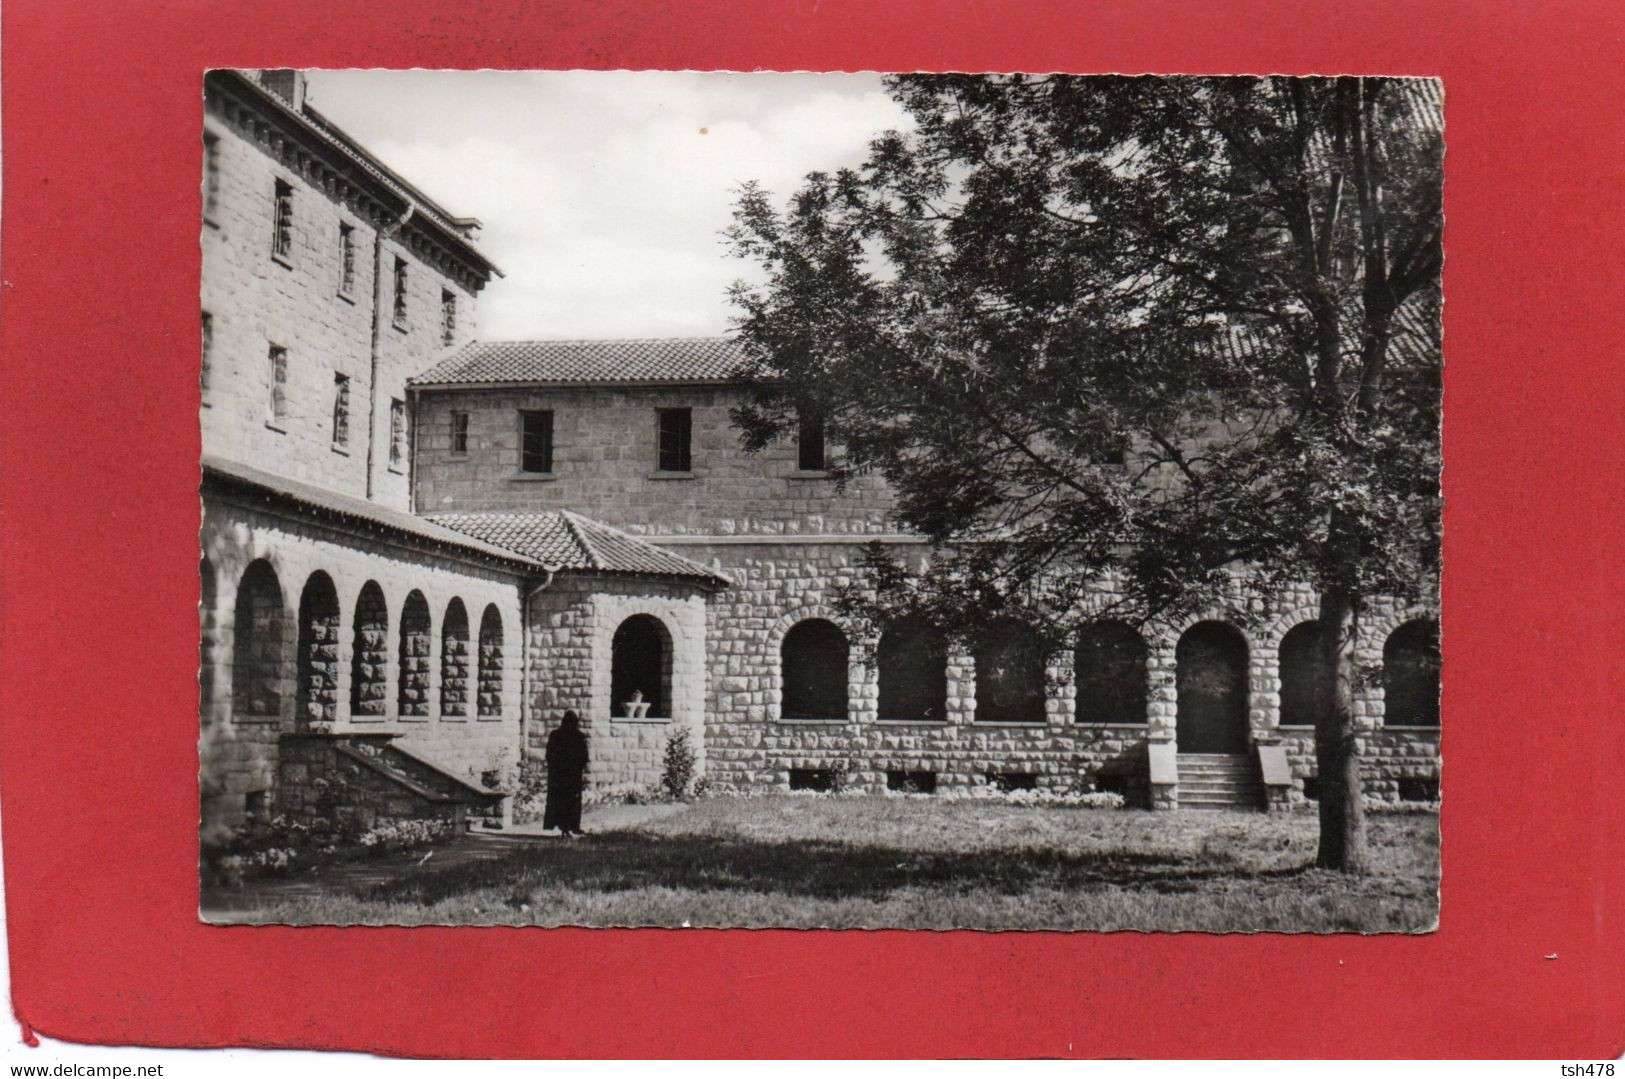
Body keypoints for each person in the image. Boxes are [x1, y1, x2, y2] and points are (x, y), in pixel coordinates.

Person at [543, 710, 589, 836]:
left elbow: (549, 755)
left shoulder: (556, 735)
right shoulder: (579, 736)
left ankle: (564, 827)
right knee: (570, 802)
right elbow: (584, 757)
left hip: (559, 776)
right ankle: (571, 827)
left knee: (561, 801)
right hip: (571, 775)